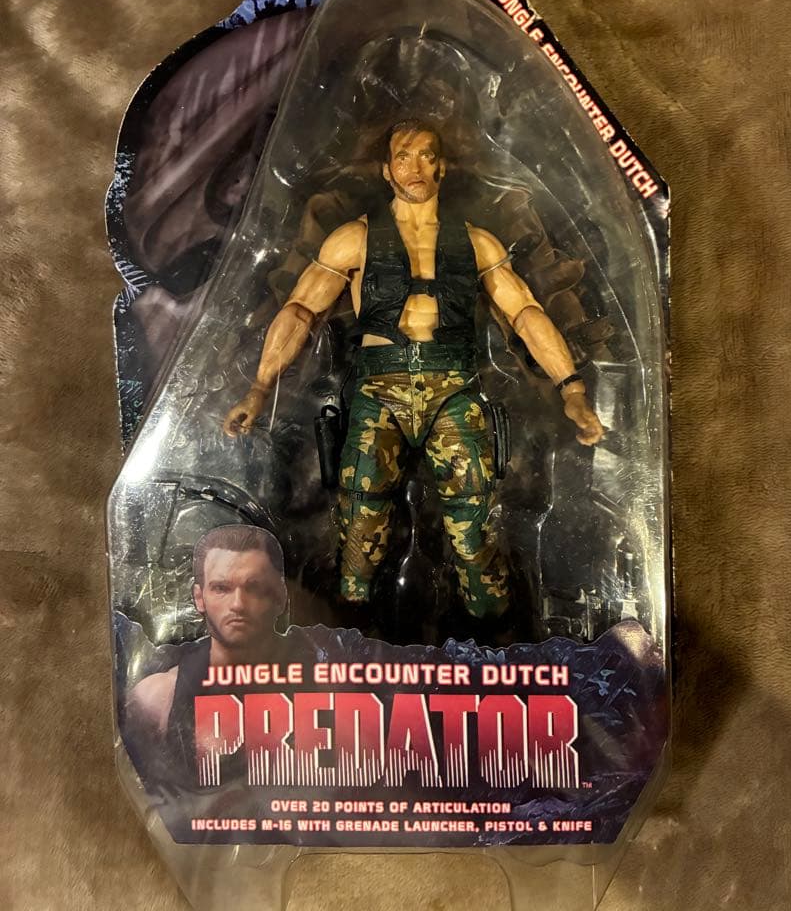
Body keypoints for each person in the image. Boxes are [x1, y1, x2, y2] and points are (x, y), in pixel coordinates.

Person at [223, 119, 603, 619]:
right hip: (379, 387)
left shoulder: (478, 243)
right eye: (403, 157)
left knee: (475, 527)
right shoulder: (354, 239)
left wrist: (571, 389)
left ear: (441, 167)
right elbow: (300, 311)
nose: (415, 167)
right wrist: (258, 388)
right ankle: (349, 632)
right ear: (387, 169)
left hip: (454, 388)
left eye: (426, 155)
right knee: (360, 527)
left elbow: (525, 314)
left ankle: (496, 637)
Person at [126, 525, 285, 744]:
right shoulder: (160, 696)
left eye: (254, 587)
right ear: (199, 598)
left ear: (280, 596)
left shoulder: (322, 662)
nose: (238, 604)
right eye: (221, 588)